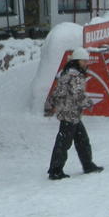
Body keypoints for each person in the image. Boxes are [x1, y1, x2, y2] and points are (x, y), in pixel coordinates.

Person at [43, 47, 104, 179]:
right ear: (77, 61)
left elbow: (60, 92)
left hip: (71, 113)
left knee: (81, 140)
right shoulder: (75, 76)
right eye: (83, 61)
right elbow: (77, 95)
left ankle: (87, 165)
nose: (86, 63)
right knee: (64, 143)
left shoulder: (68, 73)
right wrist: (88, 102)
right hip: (69, 114)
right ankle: (55, 171)